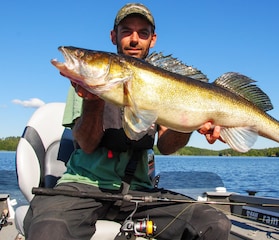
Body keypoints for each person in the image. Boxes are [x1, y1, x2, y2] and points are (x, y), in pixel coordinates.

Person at [24, 3, 231, 240]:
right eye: (126, 31)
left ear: (152, 40)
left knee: (212, 224)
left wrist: (193, 121)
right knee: (50, 228)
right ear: (114, 36)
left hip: (140, 191)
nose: (134, 39)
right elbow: (87, 144)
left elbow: (167, 146)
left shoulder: (163, 85)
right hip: (83, 186)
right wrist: (93, 99)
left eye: (143, 33)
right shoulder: (83, 84)